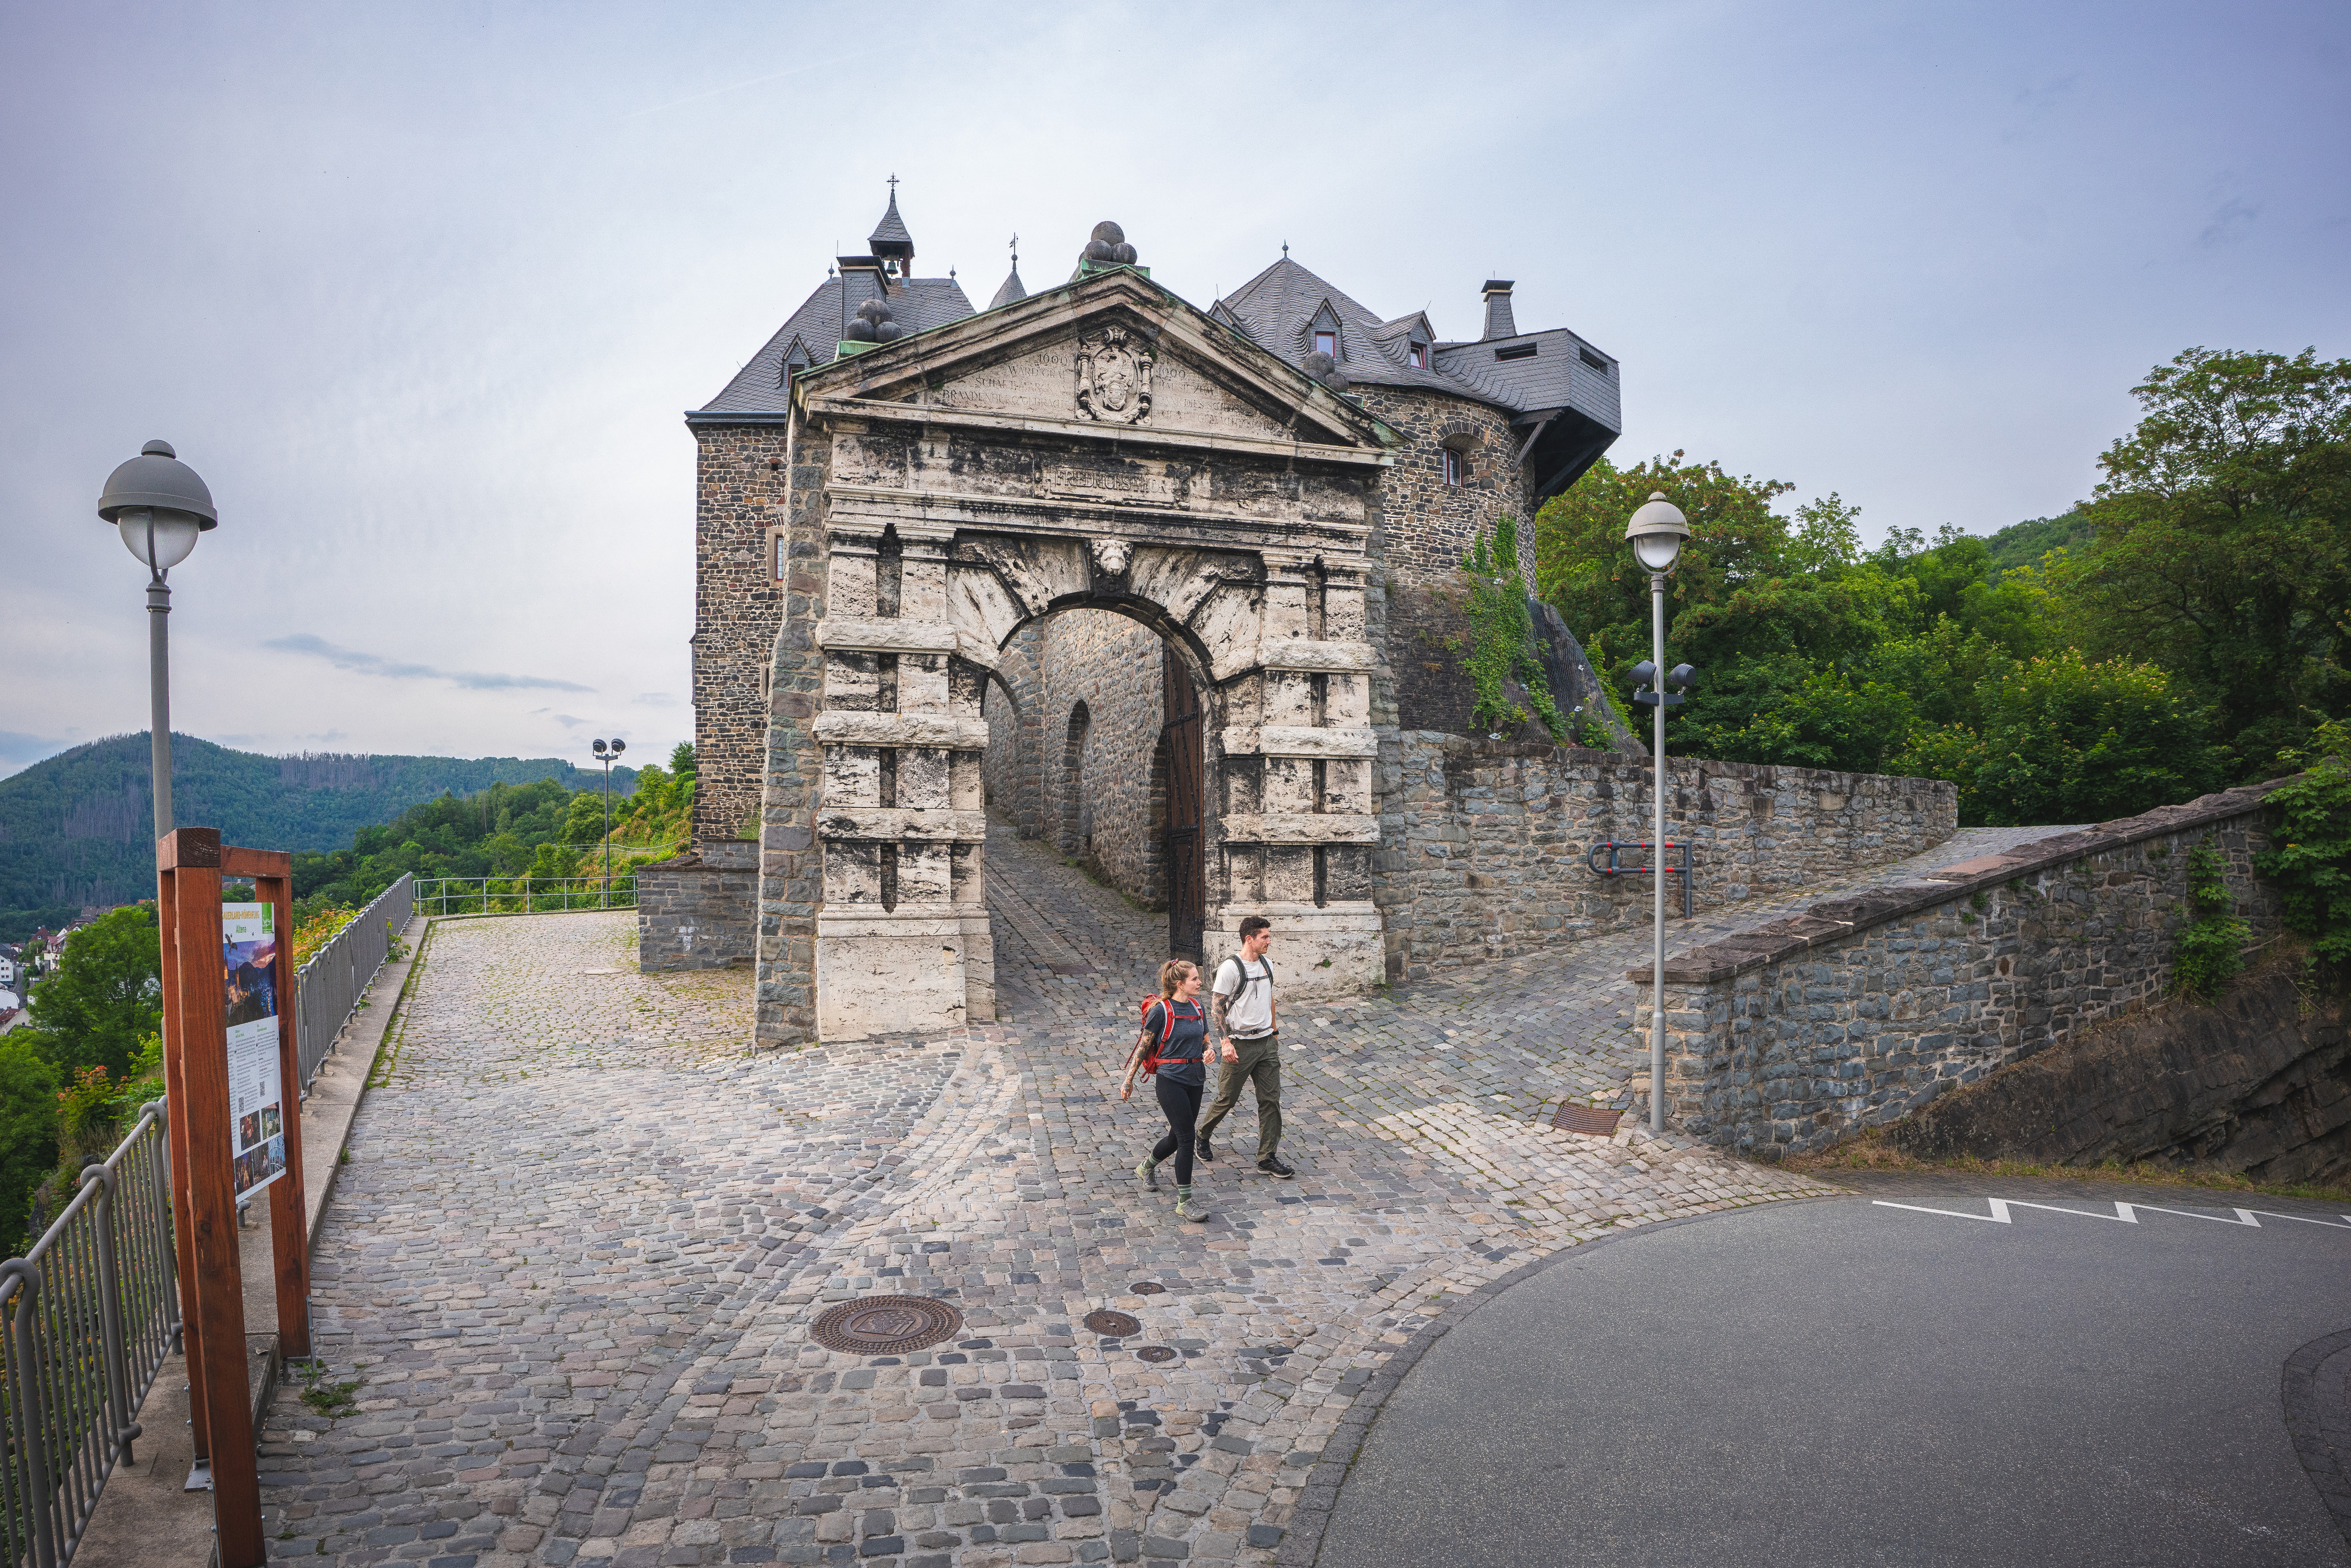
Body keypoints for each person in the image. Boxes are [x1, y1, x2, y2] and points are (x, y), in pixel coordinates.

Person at [1120, 957, 1226, 1223]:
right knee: (1187, 1138)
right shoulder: (1161, 1011)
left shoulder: (1197, 1007)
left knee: (1177, 1136)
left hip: (1196, 1078)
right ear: (1180, 984)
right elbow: (1143, 1047)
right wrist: (1129, 1079)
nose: (1200, 982)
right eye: (1195, 979)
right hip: (1170, 1080)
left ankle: (1147, 1167)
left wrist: (1209, 1050)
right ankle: (1185, 1201)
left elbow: (1203, 1037)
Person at [1197, 915, 1293, 1178]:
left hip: (1266, 1044)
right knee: (1227, 1099)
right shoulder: (1230, 969)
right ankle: (1202, 1134)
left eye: (1269, 936)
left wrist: (1274, 1030)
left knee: (1271, 1101)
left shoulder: (1268, 965)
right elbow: (1217, 1007)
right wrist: (1224, 1042)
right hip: (1239, 1044)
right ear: (1249, 939)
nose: (1269, 942)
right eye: (1265, 937)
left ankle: (1267, 1157)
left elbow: (1270, 1000)